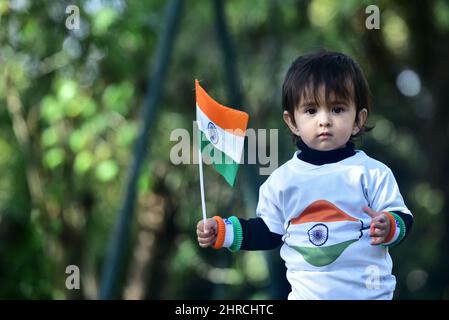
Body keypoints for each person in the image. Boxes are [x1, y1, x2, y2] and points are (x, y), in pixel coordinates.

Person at [196, 50, 413, 300]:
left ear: (358, 120)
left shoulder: (373, 173)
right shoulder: (282, 181)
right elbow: (267, 231)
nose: (324, 120)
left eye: (338, 109)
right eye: (311, 110)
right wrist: (222, 231)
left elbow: (402, 218)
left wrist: (390, 225)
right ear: (292, 122)